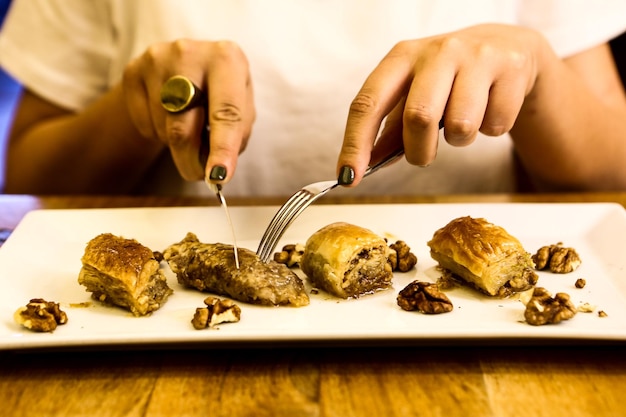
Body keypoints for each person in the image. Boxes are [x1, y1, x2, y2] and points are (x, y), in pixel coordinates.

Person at [0, 0, 625, 197]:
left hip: (493, 338)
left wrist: (537, 72)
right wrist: (139, 114)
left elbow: (612, 174)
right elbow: (26, 179)